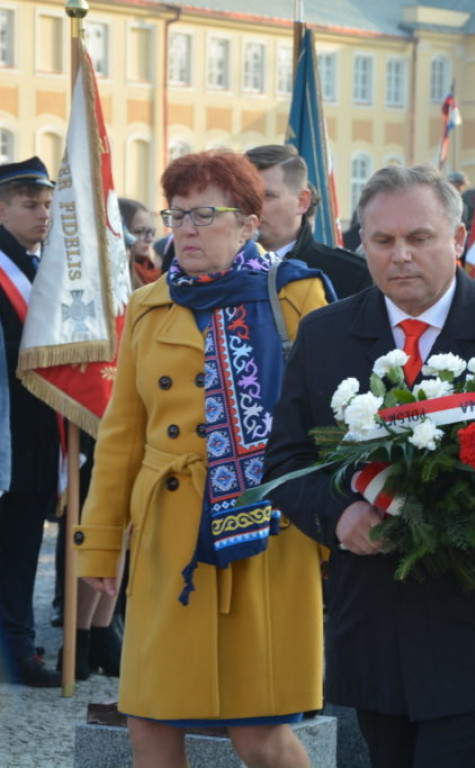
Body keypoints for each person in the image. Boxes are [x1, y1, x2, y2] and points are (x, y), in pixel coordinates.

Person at [263, 164, 475, 768]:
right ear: (362, 244)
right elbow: (287, 461)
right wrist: (337, 514)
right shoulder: (324, 335)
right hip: (372, 620)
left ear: (457, 239)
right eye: (383, 240)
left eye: (419, 238)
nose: (400, 255)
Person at [72, 150, 331, 767]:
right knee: (149, 722)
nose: (185, 229)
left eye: (205, 215)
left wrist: (332, 533)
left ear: (248, 224)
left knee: (259, 735)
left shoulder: (296, 295)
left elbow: (329, 427)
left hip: (268, 535)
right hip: (171, 539)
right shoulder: (148, 304)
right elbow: (121, 438)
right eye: (177, 214)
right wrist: (100, 544)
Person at [0, 156, 63, 687]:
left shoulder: (36, 265)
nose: (43, 214)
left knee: (21, 547)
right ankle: (16, 650)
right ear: (1, 210)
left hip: (34, 437)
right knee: (15, 548)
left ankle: (17, 641)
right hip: (10, 434)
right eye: (30, 205)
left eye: (47, 204)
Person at [245, 144, 372, 300]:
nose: (252, 206)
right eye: (245, 195)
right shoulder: (220, 268)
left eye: (267, 196)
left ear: (302, 201)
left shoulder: (351, 275)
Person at [118, 198, 162, 288]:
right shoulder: (119, 275)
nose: (150, 239)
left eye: (151, 231)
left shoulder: (153, 269)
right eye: (139, 232)